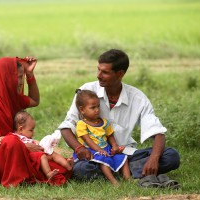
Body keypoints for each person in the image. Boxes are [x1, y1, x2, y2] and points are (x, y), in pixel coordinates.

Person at [58, 49, 180, 188]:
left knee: (171, 156)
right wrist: (79, 148)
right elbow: (66, 127)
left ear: (120, 74)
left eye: (105, 72)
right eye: (98, 70)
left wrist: (153, 159)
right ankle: (127, 172)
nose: (98, 75)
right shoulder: (87, 91)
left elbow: (158, 133)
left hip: (125, 155)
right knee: (82, 169)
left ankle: (114, 172)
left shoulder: (137, 98)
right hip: (96, 158)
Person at [0, 56, 70, 187]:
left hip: (14, 152)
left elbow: (34, 100)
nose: (21, 82)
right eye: (19, 77)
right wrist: (23, 146)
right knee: (12, 141)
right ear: (5, 77)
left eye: (22, 77)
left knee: (60, 168)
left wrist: (30, 75)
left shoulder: (10, 97)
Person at [0, 110, 73, 183]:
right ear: (20, 129)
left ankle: (67, 165)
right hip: (28, 158)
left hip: (36, 155)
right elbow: (7, 141)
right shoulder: (14, 136)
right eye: (31, 130)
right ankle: (48, 173)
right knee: (42, 156)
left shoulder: (27, 138)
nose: (33, 133)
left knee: (52, 154)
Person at [73, 89, 131, 185]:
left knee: (123, 158)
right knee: (103, 160)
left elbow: (110, 135)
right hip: (91, 150)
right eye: (93, 107)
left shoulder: (103, 122)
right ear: (82, 109)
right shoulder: (81, 124)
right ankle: (113, 181)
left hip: (106, 149)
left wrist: (114, 146)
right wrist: (99, 149)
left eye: (98, 106)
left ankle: (128, 179)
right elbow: (87, 140)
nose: (97, 110)